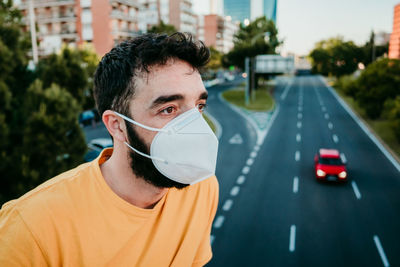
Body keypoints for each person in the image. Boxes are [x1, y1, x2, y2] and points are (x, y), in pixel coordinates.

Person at [0, 33, 219, 266]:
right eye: (168, 109)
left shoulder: (202, 187)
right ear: (117, 125)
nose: (194, 127)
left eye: (199, 106)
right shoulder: (28, 230)